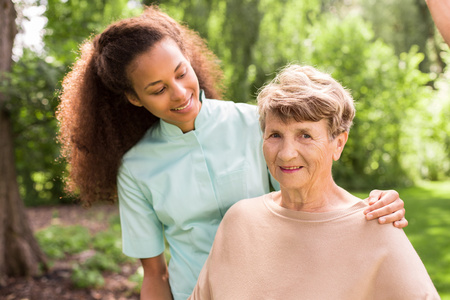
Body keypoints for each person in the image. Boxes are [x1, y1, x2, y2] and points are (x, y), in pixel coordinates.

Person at [56, 6, 408, 299]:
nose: (179, 93)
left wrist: (372, 208)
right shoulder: (136, 168)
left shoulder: (256, 125)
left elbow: (312, 198)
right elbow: (155, 275)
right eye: (158, 88)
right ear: (134, 98)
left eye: (182, 73)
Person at [189, 64, 439, 299]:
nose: (286, 153)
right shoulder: (238, 221)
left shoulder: (376, 227)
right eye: (275, 135)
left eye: (305, 135)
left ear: (338, 143)